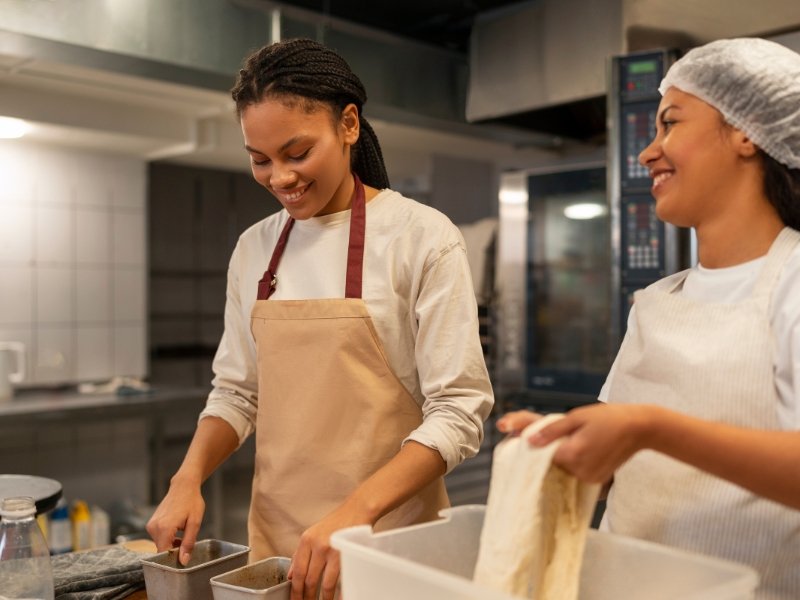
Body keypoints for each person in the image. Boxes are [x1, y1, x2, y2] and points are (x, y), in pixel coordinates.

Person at [146, 38, 494, 600]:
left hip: (391, 547)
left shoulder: (421, 238)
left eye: (297, 153)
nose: (280, 177)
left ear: (349, 125)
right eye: (260, 160)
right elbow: (237, 392)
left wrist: (354, 513)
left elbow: (458, 412)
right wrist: (187, 480)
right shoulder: (254, 248)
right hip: (280, 557)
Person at [498, 37, 800, 599]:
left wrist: (649, 428)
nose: (647, 152)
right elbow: (617, 458)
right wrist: (557, 443)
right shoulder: (660, 299)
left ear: (746, 131)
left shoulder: (793, 283)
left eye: (670, 124)